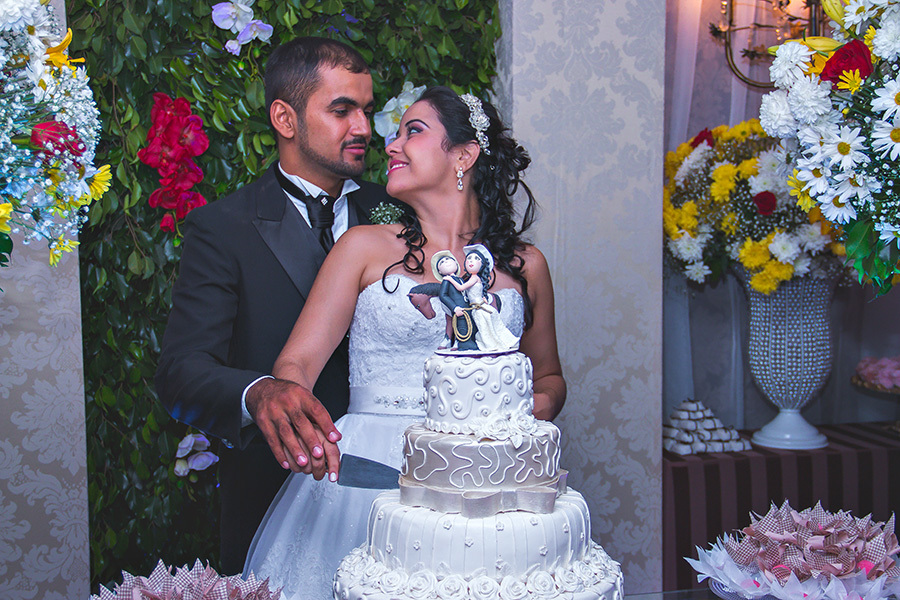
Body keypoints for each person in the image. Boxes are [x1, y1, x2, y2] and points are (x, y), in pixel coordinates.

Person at [243, 86, 567, 599]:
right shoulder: (363, 248)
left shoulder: (526, 266)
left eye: (412, 131)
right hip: (367, 472)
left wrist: (516, 417)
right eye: (394, 134)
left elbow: (549, 377)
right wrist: (297, 410)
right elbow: (297, 361)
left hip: (486, 475)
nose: (391, 145)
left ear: (464, 155)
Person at [154, 37, 393, 574]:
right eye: (342, 110)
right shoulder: (224, 229)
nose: (363, 127)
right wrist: (258, 392)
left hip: (398, 501)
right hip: (274, 502)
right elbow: (180, 372)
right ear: (285, 119)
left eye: (367, 110)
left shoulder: (399, 213)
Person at [444, 243, 520, 352]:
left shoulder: (474, 278)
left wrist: (450, 279)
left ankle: (490, 346)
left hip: (479, 309)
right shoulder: (474, 278)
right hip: (477, 307)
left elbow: (461, 288)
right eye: (469, 258)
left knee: (484, 329)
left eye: (476, 259)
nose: (471, 261)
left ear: (482, 265)